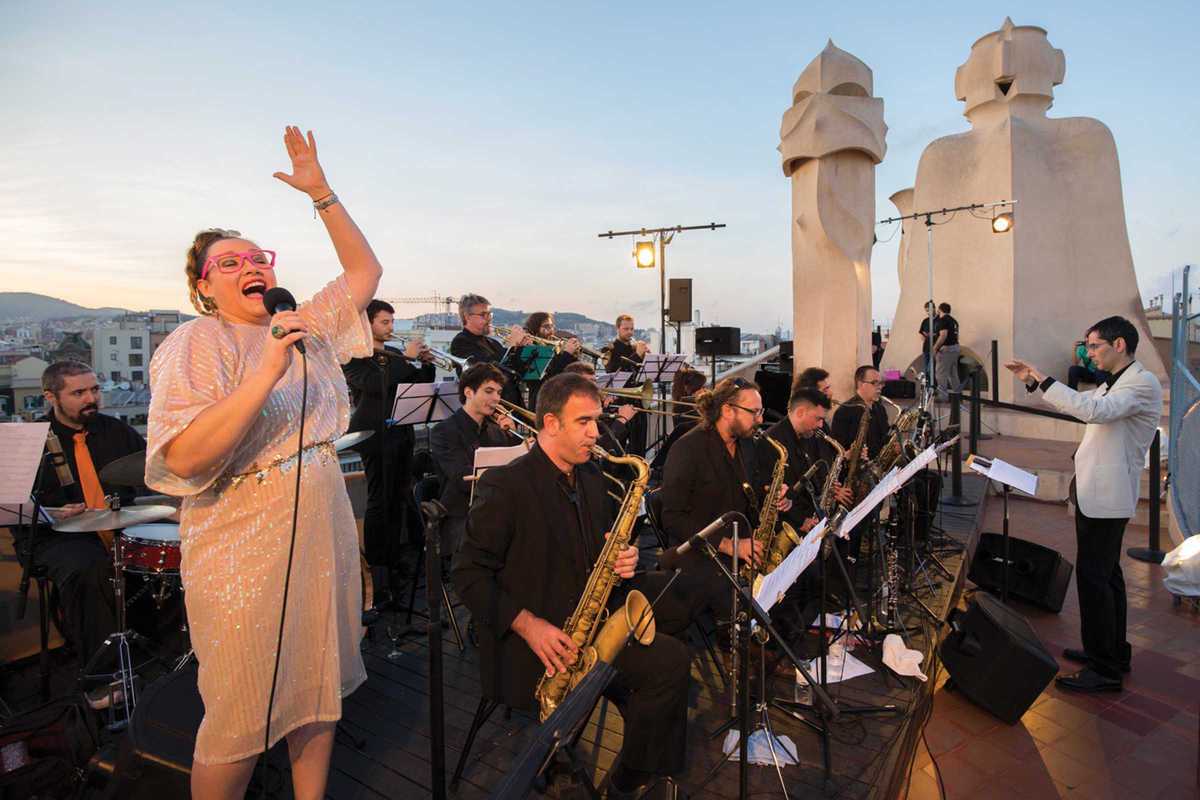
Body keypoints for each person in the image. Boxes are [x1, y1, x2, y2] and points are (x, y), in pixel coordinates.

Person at [145, 126, 381, 799]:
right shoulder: (198, 341)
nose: (252, 266)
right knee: (241, 717)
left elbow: (365, 275)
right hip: (242, 548)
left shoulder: (301, 324)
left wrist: (322, 194)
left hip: (322, 531)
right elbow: (184, 456)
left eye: (258, 257)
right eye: (229, 262)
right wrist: (266, 365)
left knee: (319, 690)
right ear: (202, 286)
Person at [452, 373, 691, 797]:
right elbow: (468, 575)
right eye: (583, 422)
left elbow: (600, 550)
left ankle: (629, 778)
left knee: (671, 661)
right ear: (550, 423)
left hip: (587, 630)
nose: (595, 433)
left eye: (596, 421)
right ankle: (567, 766)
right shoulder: (505, 485)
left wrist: (625, 560)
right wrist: (528, 625)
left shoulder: (593, 478)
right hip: (532, 644)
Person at [1006, 316, 1162, 693]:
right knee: (1107, 577)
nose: (1088, 353)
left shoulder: (1141, 383)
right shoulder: (1117, 383)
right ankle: (1112, 652)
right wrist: (1033, 380)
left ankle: (1104, 669)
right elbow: (1082, 403)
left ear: (1119, 345)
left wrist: (1042, 378)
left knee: (1095, 580)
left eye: (1094, 346)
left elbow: (1094, 411)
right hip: (1097, 492)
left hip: (1108, 497)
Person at [22, 360, 146, 709]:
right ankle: (102, 681)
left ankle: (161, 651)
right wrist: (50, 514)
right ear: (51, 396)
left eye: (94, 389)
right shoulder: (31, 441)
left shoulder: (117, 432)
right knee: (89, 568)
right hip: (54, 536)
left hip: (114, 526)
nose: (91, 398)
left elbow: (156, 470)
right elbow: (15, 507)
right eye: (78, 393)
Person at [660, 378, 789, 623]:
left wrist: (772, 496)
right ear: (728, 410)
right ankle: (746, 650)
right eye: (754, 412)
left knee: (786, 587)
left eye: (760, 412)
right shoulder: (687, 449)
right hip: (702, 552)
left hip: (742, 544)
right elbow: (672, 518)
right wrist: (729, 545)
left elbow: (747, 491)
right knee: (750, 604)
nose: (760, 420)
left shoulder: (747, 444)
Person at [342, 299, 435, 597]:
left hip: (401, 432)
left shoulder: (395, 355)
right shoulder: (354, 356)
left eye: (392, 322)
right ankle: (379, 568)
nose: (391, 328)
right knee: (379, 500)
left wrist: (426, 364)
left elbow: (417, 385)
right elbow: (375, 384)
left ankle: (397, 561)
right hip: (373, 434)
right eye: (384, 322)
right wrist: (405, 360)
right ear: (367, 323)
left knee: (399, 497)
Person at [428, 363, 518, 553]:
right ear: (468, 392)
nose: (496, 398)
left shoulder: (498, 432)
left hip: (496, 508)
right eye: (488, 391)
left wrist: (517, 443)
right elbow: (463, 479)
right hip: (462, 514)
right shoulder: (443, 431)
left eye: (499, 392)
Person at [449, 293, 525, 406]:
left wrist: (520, 348)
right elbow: (487, 373)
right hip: (489, 409)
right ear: (467, 316)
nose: (489, 319)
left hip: (512, 404)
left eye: (490, 314)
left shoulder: (492, 342)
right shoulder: (461, 342)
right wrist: (512, 346)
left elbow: (516, 371)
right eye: (483, 315)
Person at [604, 314, 650, 456]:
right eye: (626, 329)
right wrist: (637, 355)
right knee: (619, 447)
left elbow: (644, 374)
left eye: (632, 329)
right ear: (617, 328)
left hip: (638, 402)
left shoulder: (634, 347)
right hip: (621, 403)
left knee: (639, 447)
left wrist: (647, 358)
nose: (630, 332)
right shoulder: (609, 349)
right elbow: (613, 371)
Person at [521, 311, 580, 410]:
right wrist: (567, 354)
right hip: (541, 404)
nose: (551, 331)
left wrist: (573, 356)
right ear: (535, 329)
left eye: (552, 326)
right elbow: (546, 379)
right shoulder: (530, 350)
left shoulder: (554, 349)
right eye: (546, 327)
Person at [931, 302, 961, 398]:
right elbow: (957, 336)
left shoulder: (942, 320)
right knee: (953, 374)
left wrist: (935, 348)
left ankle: (942, 397)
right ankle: (958, 395)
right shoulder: (954, 321)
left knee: (941, 373)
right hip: (955, 348)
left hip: (946, 350)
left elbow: (943, 335)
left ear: (940, 310)